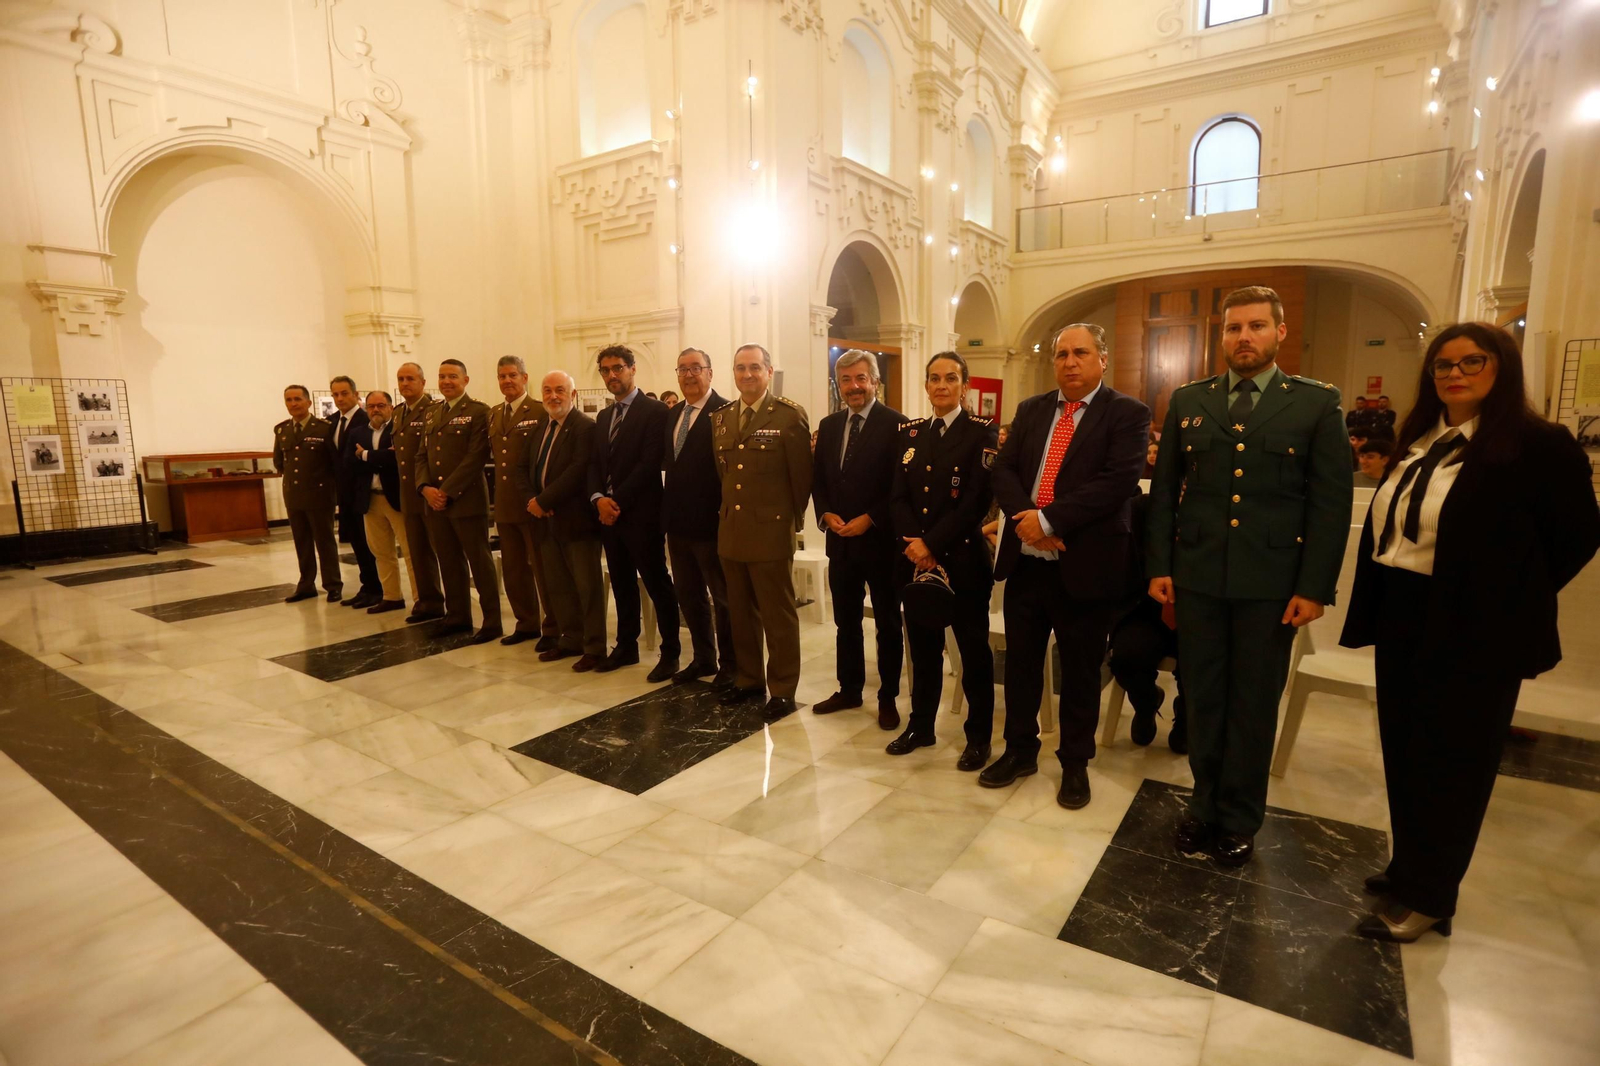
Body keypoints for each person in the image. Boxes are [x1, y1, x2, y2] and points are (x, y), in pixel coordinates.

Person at [1340, 322, 1600, 941]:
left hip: (1475, 625)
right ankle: (1410, 866)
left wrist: (1510, 592)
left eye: (1470, 362)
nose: (1454, 374)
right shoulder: (1424, 437)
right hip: (1405, 609)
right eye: (1442, 365)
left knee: (1454, 760)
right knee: (1406, 748)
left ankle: (1431, 896)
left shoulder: (1539, 443)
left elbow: (1579, 534)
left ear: (1501, 367)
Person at [1147, 285, 1352, 867]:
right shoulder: (1190, 400)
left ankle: (1239, 817)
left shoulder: (1315, 404)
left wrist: (1314, 587)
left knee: (1254, 704)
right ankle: (1203, 807)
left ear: (1279, 333)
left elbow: (1330, 505)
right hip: (1199, 578)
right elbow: (1164, 495)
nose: (1244, 338)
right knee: (1204, 698)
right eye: (1234, 328)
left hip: (1271, 586)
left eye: (1257, 326)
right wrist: (1160, 568)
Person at [986, 323, 1151, 807]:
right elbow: (1004, 467)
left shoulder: (1127, 413)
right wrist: (1028, 520)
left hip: (1086, 562)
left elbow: (1119, 480)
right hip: (1028, 561)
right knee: (1020, 665)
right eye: (1061, 354)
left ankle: (1075, 763)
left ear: (1103, 359)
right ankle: (1019, 750)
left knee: (1079, 670)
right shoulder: (1033, 410)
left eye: (1080, 353)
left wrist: (1052, 518)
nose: (1069, 362)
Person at [885, 352, 999, 766]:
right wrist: (913, 545)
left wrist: (930, 544)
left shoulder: (981, 432)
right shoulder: (911, 433)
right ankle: (921, 726)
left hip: (963, 561)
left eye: (950, 378)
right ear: (926, 385)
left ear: (964, 385)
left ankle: (978, 736)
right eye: (934, 378)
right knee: (923, 649)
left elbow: (974, 503)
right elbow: (896, 496)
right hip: (915, 562)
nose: (941, 385)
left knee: (973, 653)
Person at [712, 343, 812, 722]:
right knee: (741, 613)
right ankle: (749, 678)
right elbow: (724, 475)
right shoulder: (720, 419)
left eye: (755, 367)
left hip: (770, 531)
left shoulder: (788, 416)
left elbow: (801, 480)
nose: (747, 374)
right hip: (732, 530)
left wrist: (787, 522)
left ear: (769, 372)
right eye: (740, 368)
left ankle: (783, 688)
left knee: (778, 615)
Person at [811, 349, 906, 730]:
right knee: (845, 622)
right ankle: (849, 689)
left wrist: (871, 518)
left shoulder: (899, 426)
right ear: (839, 384)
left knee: (887, 624)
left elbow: (902, 486)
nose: (854, 387)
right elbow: (820, 479)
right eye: (846, 380)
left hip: (881, 544)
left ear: (875, 382)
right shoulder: (830, 425)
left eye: (861, 379)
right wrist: (825, 513)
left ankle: (888, 698)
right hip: (841, 543)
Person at [588, 345, 681, 680]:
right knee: (622, 584)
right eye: (606, 370)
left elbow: (649, 463)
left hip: (641, 514)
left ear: (632, 368)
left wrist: (615, 501)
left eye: (618, 368)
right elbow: (595, 464)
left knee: (657, 583)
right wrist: (599, 498)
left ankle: (670, 653)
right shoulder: (603, 416)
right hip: (609, 517)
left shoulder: (655, 411)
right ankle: (626, 646)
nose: (612, 375)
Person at [662, 348, 736, 687]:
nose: (689, 375)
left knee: (723, 599)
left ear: (710, 372)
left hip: (712, 524)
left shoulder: (726, 412)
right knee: (689, 597)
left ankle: (730, 665)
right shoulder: (674, 412)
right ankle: (703, 658)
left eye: (696, 368)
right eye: (683, 369)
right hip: (677, 526)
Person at [416, 359, 502, 643]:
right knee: (449, 562)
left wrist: (446, 492)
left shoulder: (479, 412)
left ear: (466, 380)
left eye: (453, 376)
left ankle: (492, 621)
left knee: (479, 562)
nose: (446, 381)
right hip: (436, 503)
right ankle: (457, 616)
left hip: (466, 501)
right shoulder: (431, 412)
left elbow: (476, 457)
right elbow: (422, 456)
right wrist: (426, 488)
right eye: (442, 377)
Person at [526, 371, 607, 670]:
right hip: (545, 521)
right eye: (547, 391)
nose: (553, 396)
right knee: (559, 585)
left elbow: (577, 470)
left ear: (573, 395)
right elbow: (526, 469)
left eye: (560, 390)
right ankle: (570, 639)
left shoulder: (584, 427)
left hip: (577, 521)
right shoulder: (540, 428)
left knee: (587, 588)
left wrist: (544, 501)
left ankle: (595, 646)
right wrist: (533, 502)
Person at [1108, 492, 1187, 752]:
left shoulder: (1222, 510)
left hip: (1199, 615)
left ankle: (1186, 716)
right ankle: (1147, 703)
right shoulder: (1143, 508)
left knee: (1205, 663)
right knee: (1126, 657)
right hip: (1145, 608)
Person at [489, 355, 557, 648]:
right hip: (504, 505)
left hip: (531, 504)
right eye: (502, 376)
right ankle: (525, 623)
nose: (507, 381)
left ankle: (553, 626)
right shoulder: (493, 414)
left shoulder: (540, 411)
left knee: (543, 570)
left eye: (512, 375)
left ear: (525, 378)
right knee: (513, 570)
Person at [274, 385, 341, 603]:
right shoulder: (282, 430)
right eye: (288, 400)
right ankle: (306, 584)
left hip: (319, 495)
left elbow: (334, 463)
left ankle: (332, 585)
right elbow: (279, 462)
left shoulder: (324, 428)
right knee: (301, 542)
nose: (293, 404)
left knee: (325, 542)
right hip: (293, 495)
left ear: (308, 402)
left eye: (297, 399)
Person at [392, 362, 445, 623]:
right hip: (408, 493)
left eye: (410, 379)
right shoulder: (398, 413)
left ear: (423, 383)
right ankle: (429, 602)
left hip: (428, 491)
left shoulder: (433, 411)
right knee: (417, 551)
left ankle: (452, 602)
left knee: (439, 549)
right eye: (401, 379)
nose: (405, 384)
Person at [328, 375, 383, 609]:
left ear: (355, 394)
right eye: (336, 394)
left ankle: (378, 588)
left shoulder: (366, 419)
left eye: (344, 393)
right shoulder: (332, 422)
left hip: (363, 492)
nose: (340, 398)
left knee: (370, 544)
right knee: (357, 544)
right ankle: (367, 586)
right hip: (344, 494)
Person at [350, 390, 407, 614]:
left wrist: (366, 456)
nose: (375, 410)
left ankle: (422, 599)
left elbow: (397, 459)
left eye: (381, 405)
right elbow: (350, 464)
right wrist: (381, 457)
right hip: (370, 499)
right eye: (371, 406)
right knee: (381, 552)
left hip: (395, 498)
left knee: (410, 551)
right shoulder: (357, 433)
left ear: (390, 408)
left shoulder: (398, 430)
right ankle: (392, 597)